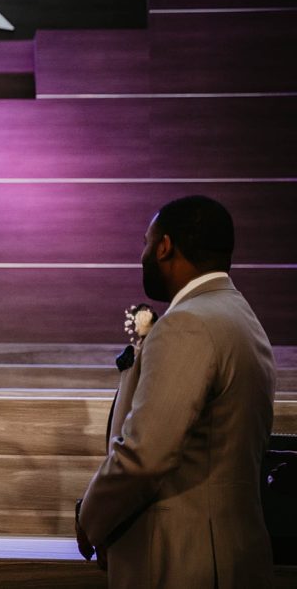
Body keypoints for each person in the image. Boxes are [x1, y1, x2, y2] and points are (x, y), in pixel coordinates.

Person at [76, 195, 276, 588]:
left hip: (183, 558)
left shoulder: (187, 325)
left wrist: (90, 520)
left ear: (165, 246)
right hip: (233, 552)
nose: (143, 254)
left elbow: (145, 456)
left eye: (146, 243)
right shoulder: (240, 315)